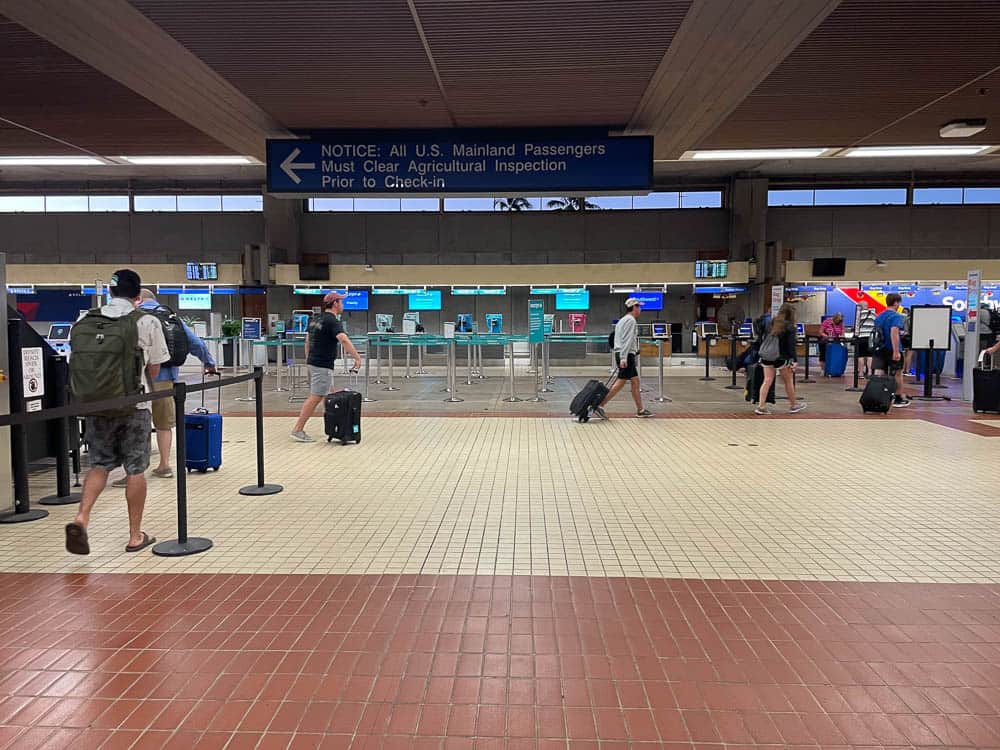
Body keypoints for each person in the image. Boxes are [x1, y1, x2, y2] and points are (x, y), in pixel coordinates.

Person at [65, 269, 170, 555]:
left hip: (96, 405)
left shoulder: (84, 320)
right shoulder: (146, 321)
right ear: (138, 295)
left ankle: (82, 516)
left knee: (100, 465)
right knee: (136, 469)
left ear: (110, 292)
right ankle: (135, 535)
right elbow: (156, 368)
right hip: (134, 405)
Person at [132, 288, 217, 479]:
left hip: (138, 381)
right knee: (164, 424)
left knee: (138, 424)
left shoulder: (135, 317)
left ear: (138, 300)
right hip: (166, 379)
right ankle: (164, 465)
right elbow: (196, 343)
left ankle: (135, 471)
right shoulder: (170, 317)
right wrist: (209, 363)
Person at [291, 291, 363, 442]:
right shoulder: (332, 321)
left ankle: (336, 427)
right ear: (335, 303)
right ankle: (298, 429)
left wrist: (310, 359)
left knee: (329, 396)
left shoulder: (315, 319)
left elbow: (307, 341)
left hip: (315, 362)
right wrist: (357, 357)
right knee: (316, 396)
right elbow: (343, 339)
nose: (342, 305)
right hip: (322, 364)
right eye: (341, 302)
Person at [592, 298, 652, 419]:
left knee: (635, 381)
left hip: (623, 353)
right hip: (626, 355)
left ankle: (640, 409)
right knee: (621, 381)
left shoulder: (623, 320)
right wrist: (624, 357)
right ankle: (600, 405)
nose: (640, 309)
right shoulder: (631, 320)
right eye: (639, 307)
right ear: (634, 307)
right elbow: (627, 340)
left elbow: (616, 338)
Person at [755, 303, 806, 415]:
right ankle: (793, 405)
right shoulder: (790, 327)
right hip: (781, 358)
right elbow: (790, 345)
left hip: (767, 355)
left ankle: (761, 406)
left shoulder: (770, 323)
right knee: (788, 381)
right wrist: (795, 360)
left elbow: (760, 335)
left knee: (767, 380)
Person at [871, 292, 911, 407]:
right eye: (899, 302)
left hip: (880, 349)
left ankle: (880, 396)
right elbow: (894, 332)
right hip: (891, 348)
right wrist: (896, 351)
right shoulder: (895, 316)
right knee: (898, 373)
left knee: (881, 372)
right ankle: (898, 398)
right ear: (896, 303)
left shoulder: (880, 316)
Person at [855, 302, 877, 378]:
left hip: (861, 337)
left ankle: (860, 373)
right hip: (870, 337)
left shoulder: (859, 315)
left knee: (860, 356)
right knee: (869, 356)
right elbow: (876, 324)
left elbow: (856, 326)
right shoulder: (873, 314)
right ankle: (870, 373)